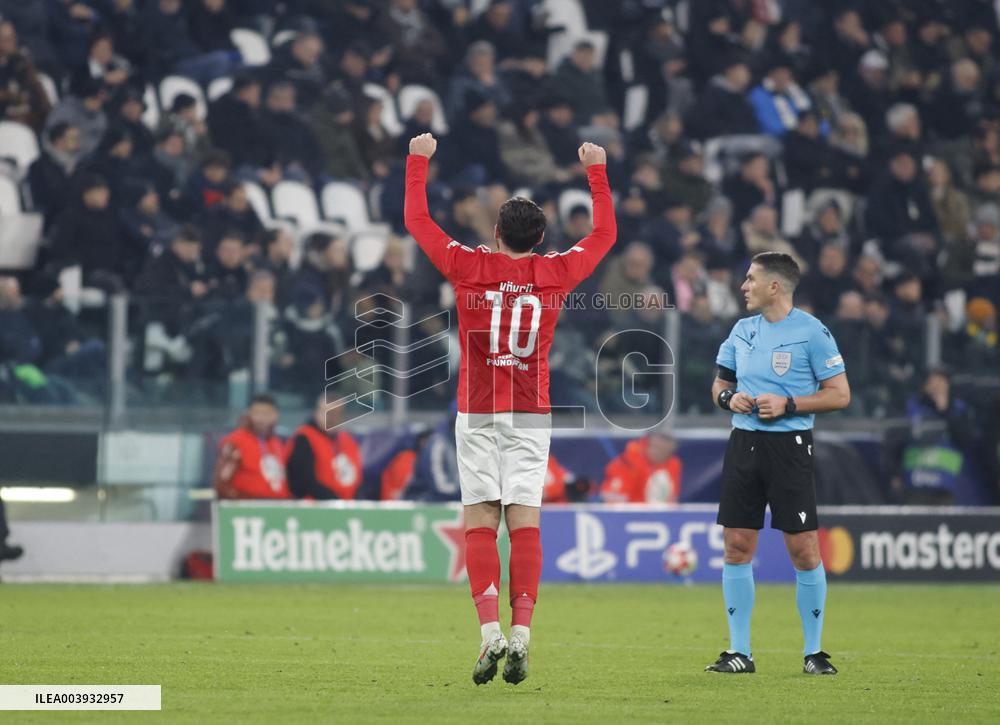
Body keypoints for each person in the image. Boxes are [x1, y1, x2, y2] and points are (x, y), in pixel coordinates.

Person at [404, 132, 616, 685]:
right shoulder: (555, 273)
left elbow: (419, 222)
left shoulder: (468, 266)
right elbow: (604, 233)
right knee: (524, 522)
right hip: (532, 411)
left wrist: (417, 160)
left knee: (480, 520)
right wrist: (596, 170)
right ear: (543, 238)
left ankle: (489, 634)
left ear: (495, 234)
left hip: (476, 411)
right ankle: (522, 634)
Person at [708, 252, 851, 676]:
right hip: (744, 444)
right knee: (737, 544)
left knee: (803, 548)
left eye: (750, 279)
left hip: (790, 446)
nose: (743, 286)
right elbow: (719, 383)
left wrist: (789, 403)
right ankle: (739, 652)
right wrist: (728, 398)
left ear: (775, 286)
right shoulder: (741, 330)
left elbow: (840, 394)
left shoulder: (812, 332)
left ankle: (814, 652)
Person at [285, 395, 363, 500]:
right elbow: (304, 482)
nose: (332, 418)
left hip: (348, 506)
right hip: (317, 507)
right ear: (317, 413)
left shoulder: (347, 439)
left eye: (337, 414)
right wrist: (335, 501)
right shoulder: (304, 438)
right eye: (328, 413)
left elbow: (358, 478)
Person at [212, 393, 289, 500]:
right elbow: (222, 484)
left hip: (277, 509)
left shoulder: (278, 443)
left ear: (275, 415)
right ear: (249, 414)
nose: (260, 419)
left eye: (266, 414)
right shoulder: (236, 442)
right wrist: (246, 504)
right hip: (248, 511)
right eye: (256, 413)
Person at [600, 430, 683, 504]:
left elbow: (673, 498)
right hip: (630, 513)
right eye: (655, 447)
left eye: (663, 450)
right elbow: (611, 497)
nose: (656, 453)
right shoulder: (629, 462)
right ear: (646, 445)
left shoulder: (673, 464)